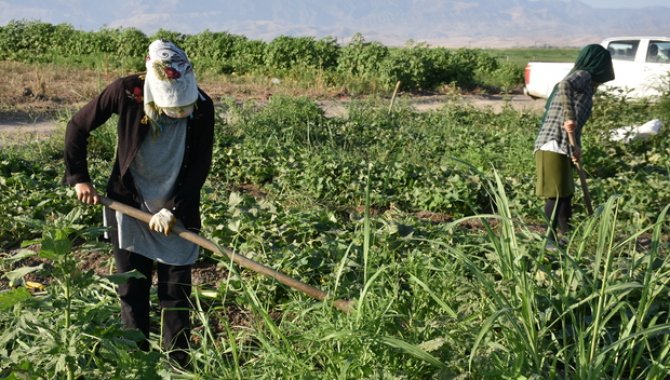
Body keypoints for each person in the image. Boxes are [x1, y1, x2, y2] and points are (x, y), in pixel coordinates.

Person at [64, 39, 215, 366]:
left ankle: (179, 366)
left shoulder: (202, 107)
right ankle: (136, 367)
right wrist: (79, 178)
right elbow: (77, 126)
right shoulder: (127, 91)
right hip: (128, 208)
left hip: (177, 216)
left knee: (175, 296)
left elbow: (200, 165)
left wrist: (173, 209)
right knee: (132, 293)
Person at [533, 44, 614, 250]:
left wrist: (576, 148)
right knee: (556, 193)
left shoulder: (588, 85)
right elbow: (565, 85)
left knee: (566, 193)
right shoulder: (582, 75)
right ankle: (548, 241)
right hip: (553, 142)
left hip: (564, 145)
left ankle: (568, 236)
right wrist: (569, 116)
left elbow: (575, 128)